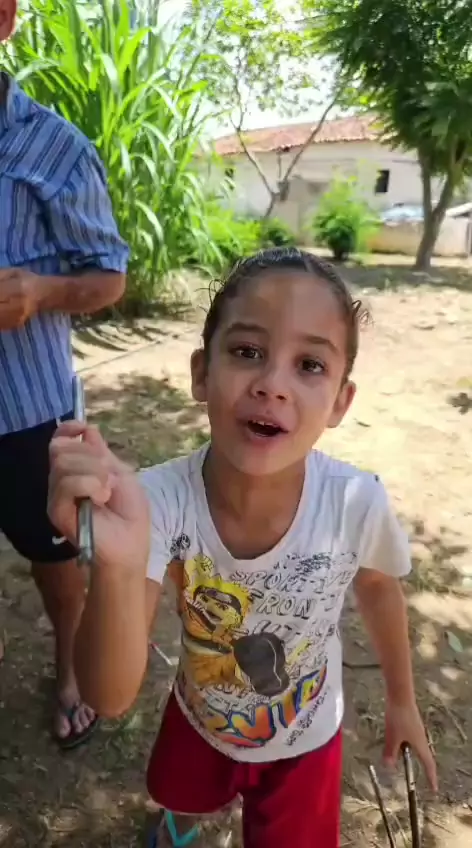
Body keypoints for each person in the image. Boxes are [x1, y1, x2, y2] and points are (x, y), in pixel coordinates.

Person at [48, 248, 437, 847]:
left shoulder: (356, 502)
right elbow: (108, 694)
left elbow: (380, 589)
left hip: (306, 736)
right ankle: (181, 820)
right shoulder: (154, 503)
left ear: (340, 401)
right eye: (248, 351)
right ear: (201, 374)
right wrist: (117, 568)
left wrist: (403, 701)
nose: (271, 385)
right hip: (200, 719)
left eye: (309, 364)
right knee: (182, 796)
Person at [0, 0, 128, 748]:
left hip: (26, 411)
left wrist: (40, 292)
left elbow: (109, 277)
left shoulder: (54, 147)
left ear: (5, 17)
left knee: (52, 555)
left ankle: (71, 669)